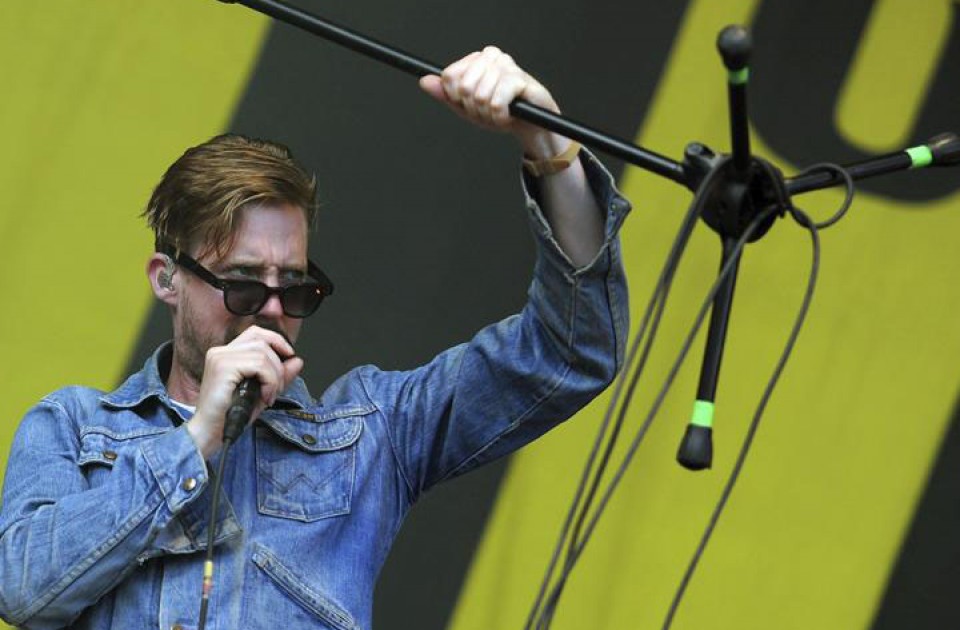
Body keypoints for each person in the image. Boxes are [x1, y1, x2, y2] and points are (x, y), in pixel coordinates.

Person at [0, 47, 630, 629]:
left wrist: (551, 146)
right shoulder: (73, 428)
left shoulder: (369, 437)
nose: (272, 310)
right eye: (244, 284)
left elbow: (569, 352)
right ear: (168, 280)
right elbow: (24, 589)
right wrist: (196, 441)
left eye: (296, 288)